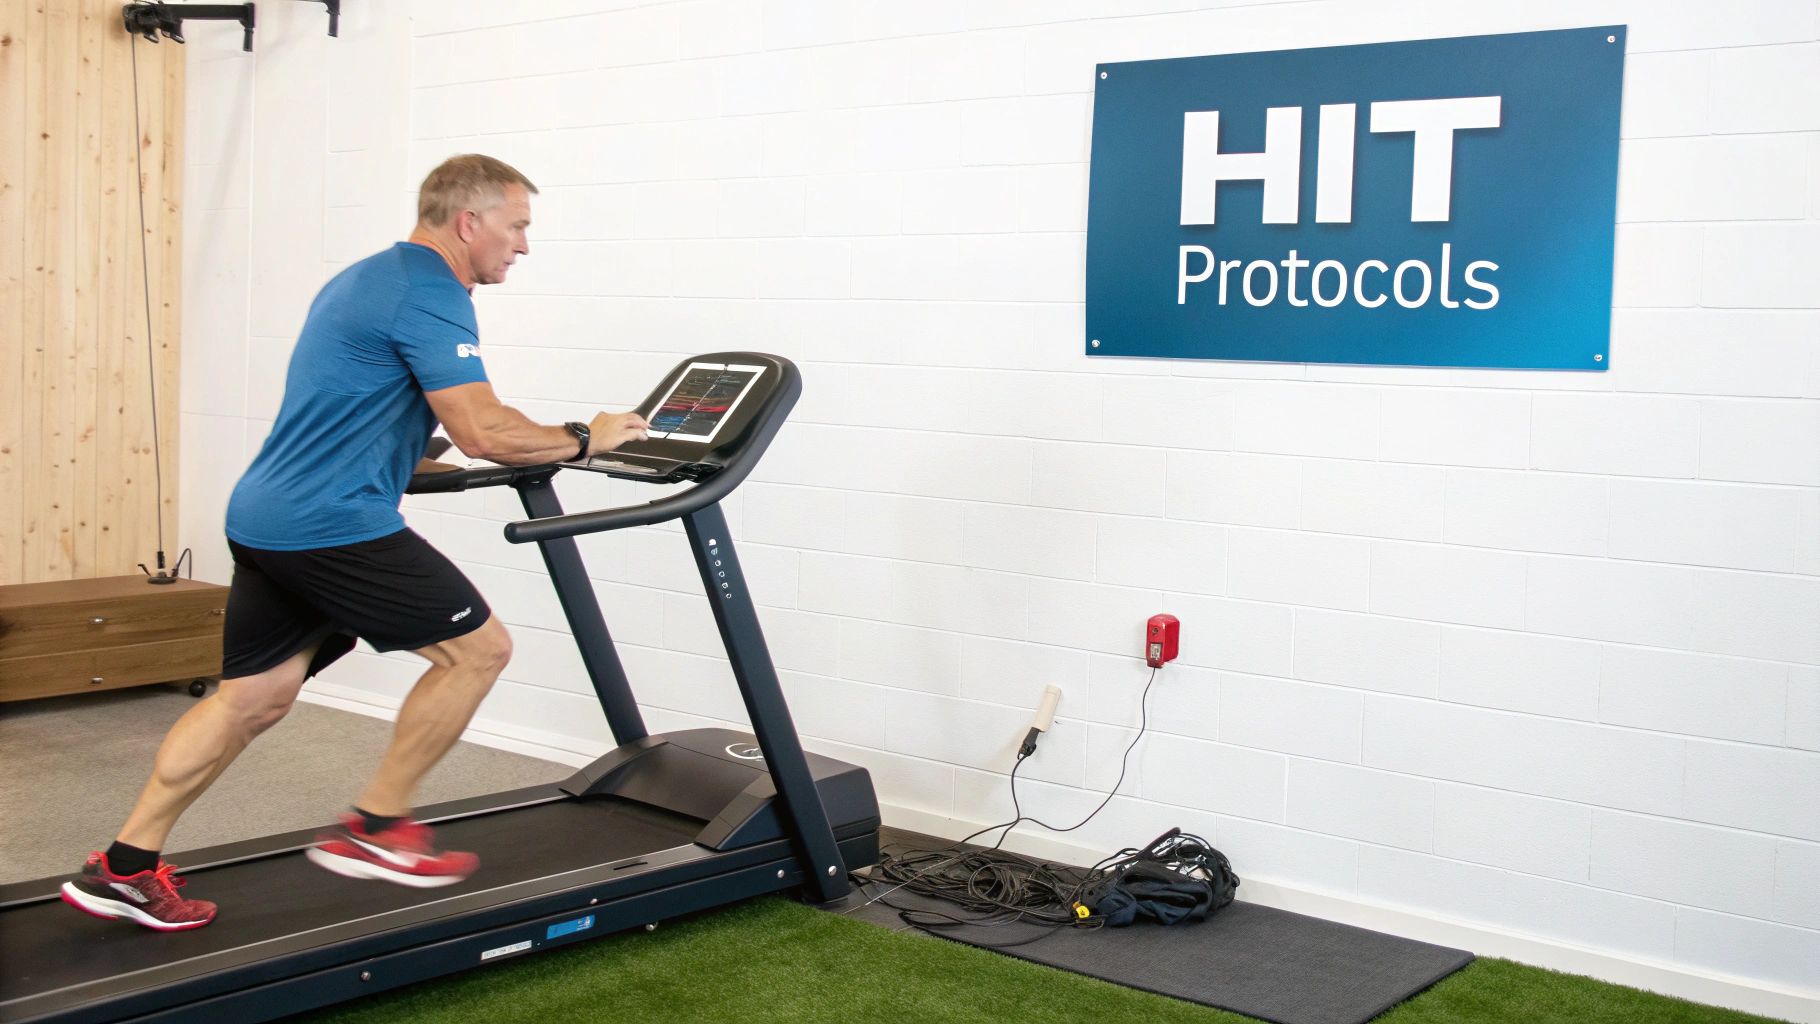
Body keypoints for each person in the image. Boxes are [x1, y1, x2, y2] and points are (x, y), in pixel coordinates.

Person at [59, 154, 649, 931]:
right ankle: (376, 828)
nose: (524, 247)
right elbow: (484, 430)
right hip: (330, 523)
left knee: (252, 698)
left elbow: (357, 400)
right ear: (469, 222)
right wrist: (585, 437)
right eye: (518, 227)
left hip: (267, 516)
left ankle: (124, 866)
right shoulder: (431, 292)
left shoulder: (369, 277)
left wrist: (408, 452)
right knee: (478, 651)